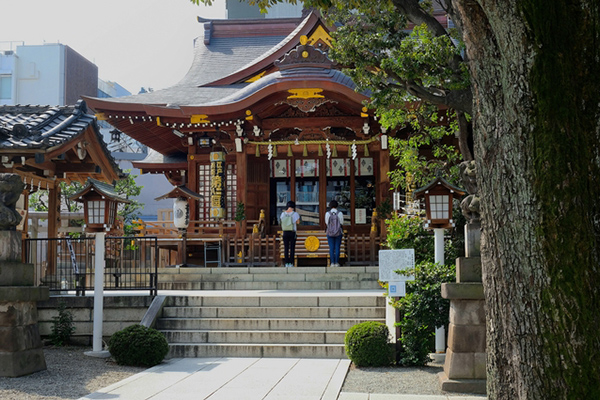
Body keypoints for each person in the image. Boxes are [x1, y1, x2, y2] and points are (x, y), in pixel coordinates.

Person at [280, 201, 300, 267]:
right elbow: (298, 222)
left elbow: (281, 221)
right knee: (292, 247)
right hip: (292, 232)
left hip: (285, 232)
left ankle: (286, 263)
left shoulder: (283, 214)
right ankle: (291, 262)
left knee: (286, 247)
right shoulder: (295, 214)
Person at [325, 200, 344, 267]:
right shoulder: (340, 213)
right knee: (337, 247)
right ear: (337, 206)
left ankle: (332, 262)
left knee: (331, 248)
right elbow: (341, 223)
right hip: (338, 232)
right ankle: (337, 262)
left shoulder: (327, 213)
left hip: (330, 233)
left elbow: (327, 223)